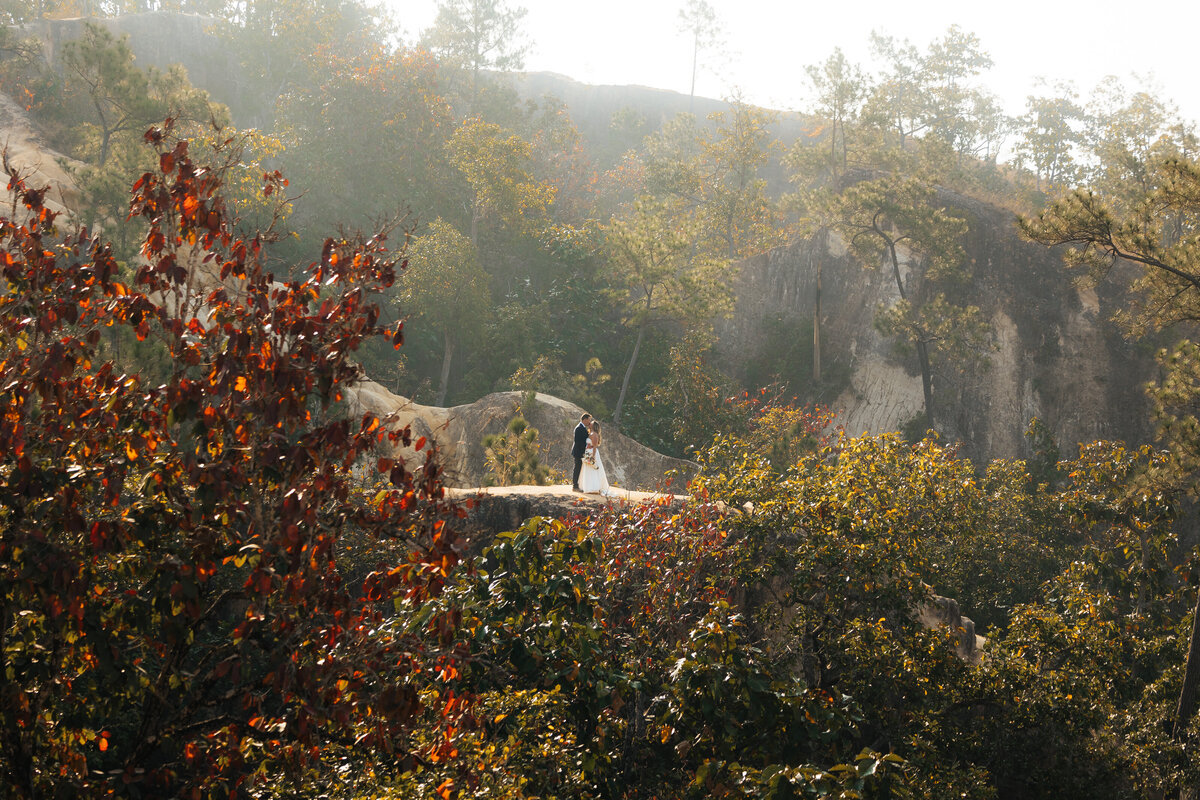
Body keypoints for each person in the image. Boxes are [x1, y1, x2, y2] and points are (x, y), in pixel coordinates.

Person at [579, 420, 611, 496]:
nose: (590, 423)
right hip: (588, 452)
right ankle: (586, 486)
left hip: (592, 453)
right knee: (587, 468)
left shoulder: (595, 434)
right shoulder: (590, 433)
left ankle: (593, 487)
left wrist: (593, 456)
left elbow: (595, 446)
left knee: (593, 468)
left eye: (591, 423)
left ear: (594, 426)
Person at [571, 413, 592, 492]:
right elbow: (578, 442)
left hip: (580, 452)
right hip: (578, 452)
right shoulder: (579, 428)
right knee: (577, 468)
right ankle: (575, 486)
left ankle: (577, 485)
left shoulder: (582, 427)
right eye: (589, 420)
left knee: (579, 468)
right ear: (585, 419)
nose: (589, 422)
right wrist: (584, 451)